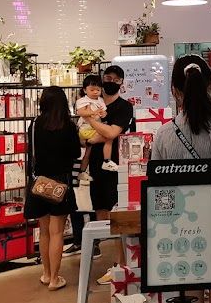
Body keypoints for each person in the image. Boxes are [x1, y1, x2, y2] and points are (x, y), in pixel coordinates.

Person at [151, 55, 211, 303]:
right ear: (210, 85)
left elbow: (157, 188)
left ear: (175, 90)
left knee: (189, 282)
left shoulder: (164, 135)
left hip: (182, 230)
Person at [23, 87, 80, 291]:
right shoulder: (69, 126)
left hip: (40, 183)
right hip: (60, 184)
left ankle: (46, 274)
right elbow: (75, 153)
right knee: (57, 233)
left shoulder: (35, 124)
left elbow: (32, 152)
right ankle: (56, 279)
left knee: (44, 231)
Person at [82, 71, 135, 283]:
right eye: (107, 78)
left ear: (122, 82)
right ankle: (114, 264)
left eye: (115, 79)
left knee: (117, 216)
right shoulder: (95, 104)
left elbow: (112, 134)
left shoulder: (124, 106)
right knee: (101, 213)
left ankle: (120, 265)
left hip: (116, 168)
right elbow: (86, 136)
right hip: (95, 168)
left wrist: (91, 122)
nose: (110, 82)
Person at [77, 75, 115, 173]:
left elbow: (104, 112)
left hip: (95, 128)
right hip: (86, 129)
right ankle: (107, 160)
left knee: (88, 153)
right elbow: (80, 112)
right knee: (109, 137)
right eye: (92, 90)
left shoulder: (101, 100)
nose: (95, 92)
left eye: (98, 90)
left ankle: (82, 172)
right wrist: (93, 112)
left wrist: (103, 114)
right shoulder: (82, 101)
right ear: (85, 90)